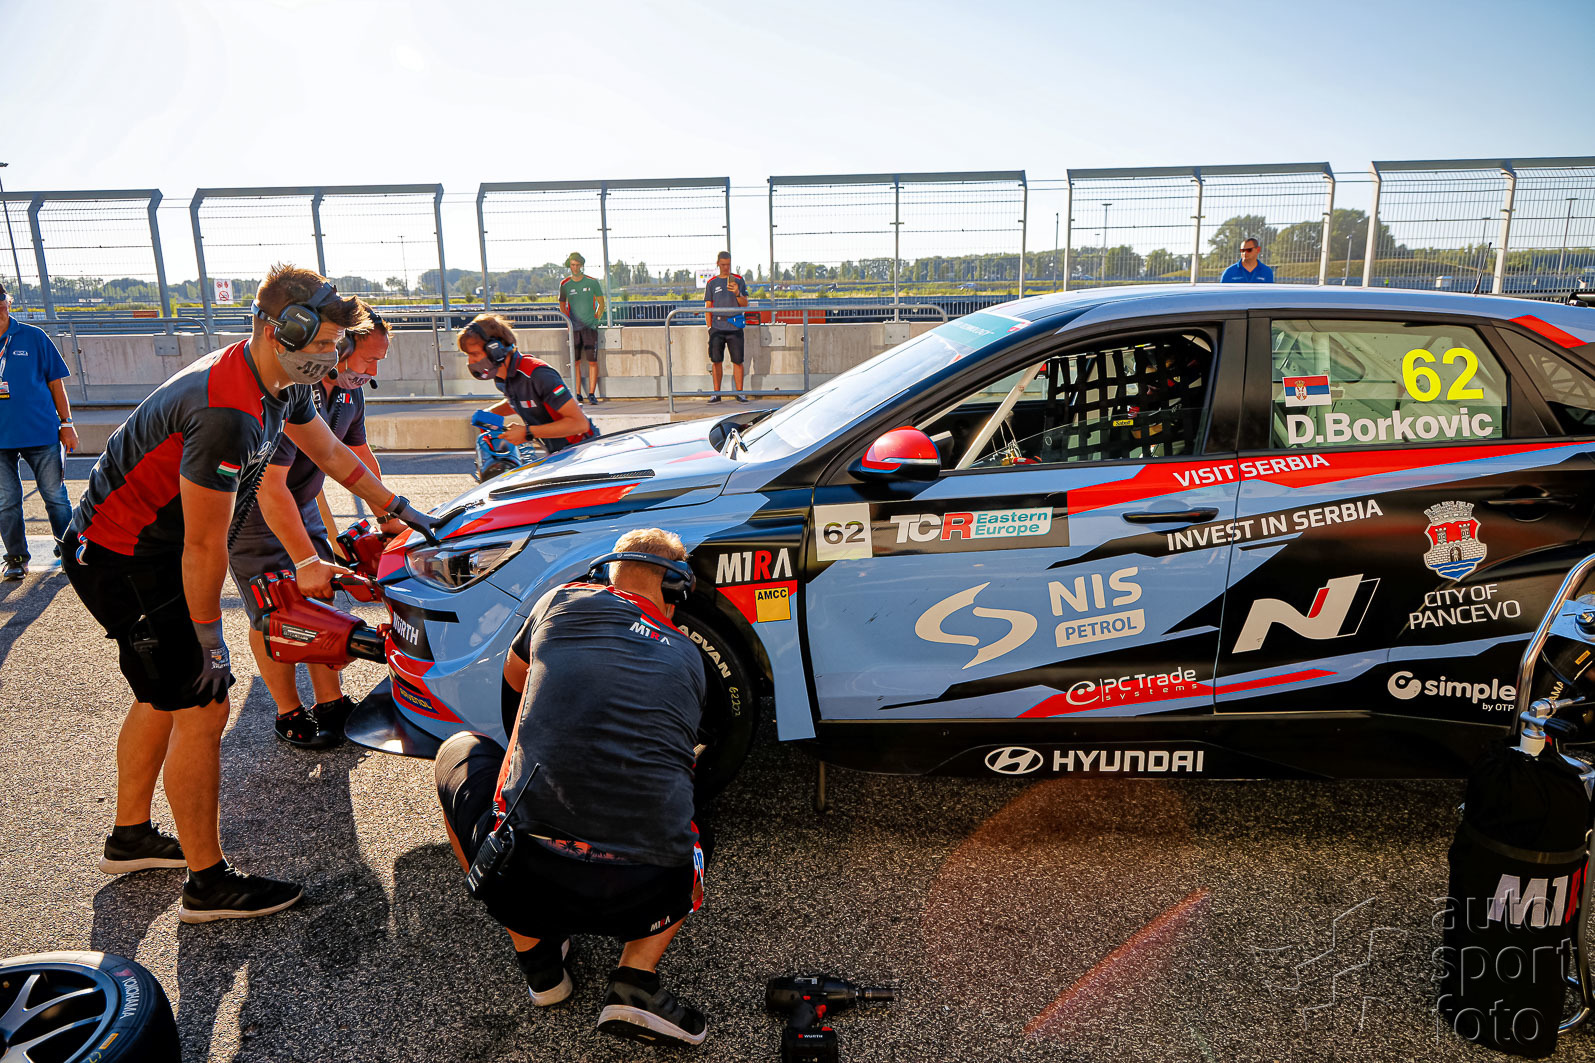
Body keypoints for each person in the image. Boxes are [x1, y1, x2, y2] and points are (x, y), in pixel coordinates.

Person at [62, 264, 442, 923]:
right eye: (321, 343)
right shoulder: (227, 412)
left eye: (335, 344)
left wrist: (400, 509)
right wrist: (210, 639)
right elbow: (203, 547)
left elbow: (334, 456)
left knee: (162, 695)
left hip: (142, 550)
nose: (331, 356)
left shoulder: (281, 382)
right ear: (278, 330)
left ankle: (129, 837)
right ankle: (207, 885)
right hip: (127, 559)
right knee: (202, 705)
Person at [434, 527, 709, 1047]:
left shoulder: (560, 600)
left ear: (605, 575)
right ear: (674, 591)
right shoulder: (688, 655)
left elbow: (518, 680)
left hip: (526, 876)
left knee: (459, 750)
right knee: (689, 806)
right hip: (647, 890)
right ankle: (635, 979)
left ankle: (541, 967)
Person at [228, 307, 398, 749]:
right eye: (368, 359)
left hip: (300, 504)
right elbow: (270, 486)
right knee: (273, 608)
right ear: (340, 349)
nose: (372, 371)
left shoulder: (349, 395)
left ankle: (331, 703)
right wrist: (304, 558)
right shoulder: (294, 394)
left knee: (320, 597)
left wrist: (388, 517)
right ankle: (288, 711)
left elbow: (357, 455)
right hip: (254, 512)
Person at [0, 281, 77, 580]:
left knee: (55, 496)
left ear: (8, 302)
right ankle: (16, 558)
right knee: (7, 501)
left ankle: (68, 551)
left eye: (2, 301)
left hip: (41, 431)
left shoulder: (34, 337)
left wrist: (66, 423)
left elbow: (56, 383)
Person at [459, 313, 596, 457]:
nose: (470, 361)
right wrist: (491, 413)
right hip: (559, 453)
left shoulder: (538, 375)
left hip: (582, 452)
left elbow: (580, 424)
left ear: (495, 350)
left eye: (474, 354)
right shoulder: (503, 377)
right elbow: (522, 400)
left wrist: (527, 432)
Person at [557, 252, 605, 403]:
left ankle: (591, 394)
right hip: (574, 329)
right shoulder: (565, 284)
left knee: (592, 361)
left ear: (582, 265)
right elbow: (562, 305)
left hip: (590, 328)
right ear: (569, 266)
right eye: (573, 265)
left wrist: (596, 320)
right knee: (575, 362)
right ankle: (577, 394)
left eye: (578, 265)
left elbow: (601, 303)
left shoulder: (592, 282)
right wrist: (569, 322)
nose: (575, 268)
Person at [703, 252, 748, 403]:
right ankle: (716, 393)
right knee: (716, 361)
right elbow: (708, 306)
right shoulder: (712, 283)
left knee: (738, 361)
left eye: (728, 264)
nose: (726, 267)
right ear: (718, 264)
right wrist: (709, 327)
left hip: (735, 326)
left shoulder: (739, 280)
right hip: (717, 327)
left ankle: (740, 393)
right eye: (723, 264)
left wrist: (737, 293)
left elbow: (745, 304)